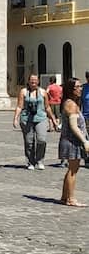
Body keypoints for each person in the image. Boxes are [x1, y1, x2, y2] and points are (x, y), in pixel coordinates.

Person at [58, 76, 89, 207]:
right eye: (78, 87)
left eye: (81, 86)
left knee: (71, 169)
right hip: (72, 142)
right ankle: (71, 198)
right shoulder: (71, 104)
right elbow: (74, 126)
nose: (81, 89)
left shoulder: (70, 102)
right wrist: (85, 141)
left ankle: (65, 197)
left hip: (70, 140)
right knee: (73, 170)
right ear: (71, 89)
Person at [13, 73, 51, 170]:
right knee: (29, 142)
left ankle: (40, 160)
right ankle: (31, 162)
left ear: (38, 81)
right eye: (31, 80)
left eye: (35, 80)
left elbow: (47, 107)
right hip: (26, 119)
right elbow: (19, 106)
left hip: (41, 118)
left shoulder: (43, 92)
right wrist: (15, 118)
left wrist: (53, 119)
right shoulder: (23, 92)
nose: (33, 82)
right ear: (28, 81)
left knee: (41, 140)